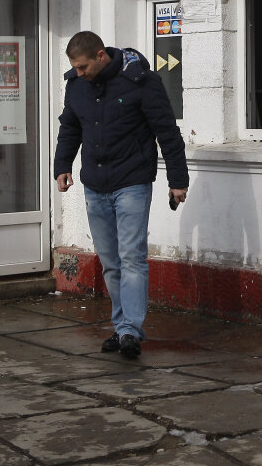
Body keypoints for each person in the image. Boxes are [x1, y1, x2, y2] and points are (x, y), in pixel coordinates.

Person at [53, 31, 188, 359]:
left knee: (131, 257)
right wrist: (62, 166)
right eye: (76, 68)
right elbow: (70, 127)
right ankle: (122, 326)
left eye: (84, 67)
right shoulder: (77, 85)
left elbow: (167, 132)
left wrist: (178, 180)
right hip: (95, 185)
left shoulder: (140, 81)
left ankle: (131, 331)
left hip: (132, 183)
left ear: (101, 55)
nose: (80, 73)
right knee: (111, 262)